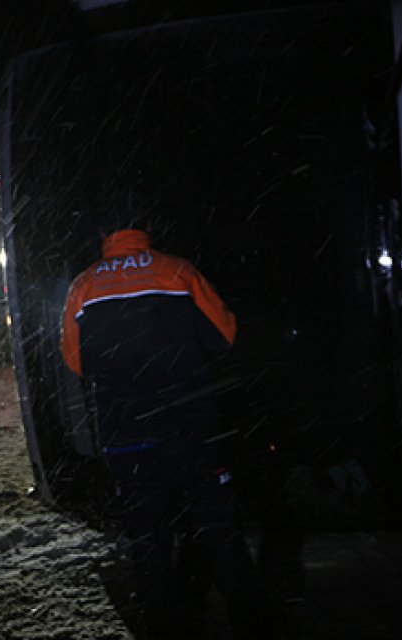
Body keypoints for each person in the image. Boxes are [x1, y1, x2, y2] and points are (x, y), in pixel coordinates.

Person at [60, 222, 275, 639]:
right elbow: (225, 334)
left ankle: (165, 628)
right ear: (146, 232)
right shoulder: (178, 271)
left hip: (127, 436)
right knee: (220, 532)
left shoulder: (83, 287)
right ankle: (253, 624)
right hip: (191, 429)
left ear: (104, 236)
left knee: (148, 542)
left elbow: (76, 362)